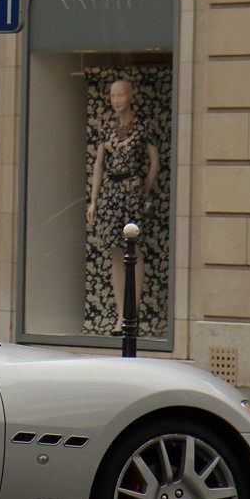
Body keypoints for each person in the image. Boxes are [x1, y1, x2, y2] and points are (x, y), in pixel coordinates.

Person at [87, 79, 160, 333]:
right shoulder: (107, 128)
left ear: (130, 96)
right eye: (112, 95)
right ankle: (120, 315)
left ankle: (133, 312)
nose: (116, 100)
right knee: (116, 255)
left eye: (120, 95)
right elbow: (99, 164)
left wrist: (145, 189)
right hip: (112, 194)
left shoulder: (142, 128)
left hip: (132, 192)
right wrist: (94, 200)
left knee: (134, 251)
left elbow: (154, 161)